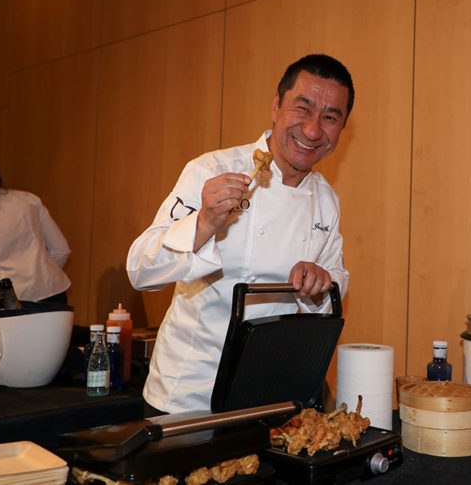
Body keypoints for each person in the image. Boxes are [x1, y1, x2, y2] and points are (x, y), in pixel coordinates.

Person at [127, 54, 354, 413]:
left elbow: (333, 285)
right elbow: (140, 271)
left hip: (266, 395)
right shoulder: (212, 170)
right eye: (303, 108)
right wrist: (204, 223)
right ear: (276, 106)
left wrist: (319, 283)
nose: (313, 131)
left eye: (330, 117)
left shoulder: (326, 199)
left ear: (342, 128)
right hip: (187, 395)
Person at [0, 149, 71, 304]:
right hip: (51, 294)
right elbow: (61, 250)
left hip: (4, 303)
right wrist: (40, 276)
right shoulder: (28, 200)